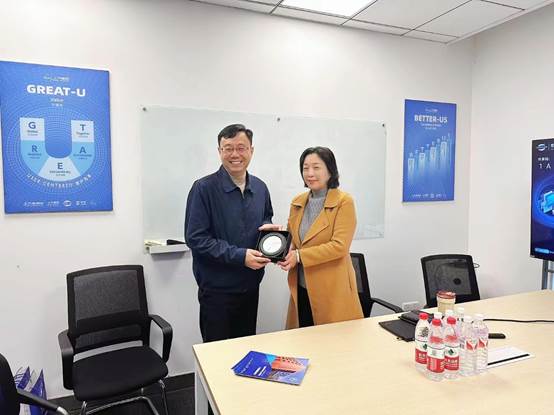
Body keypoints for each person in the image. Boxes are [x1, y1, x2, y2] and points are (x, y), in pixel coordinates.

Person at [185, 124, 275, 342]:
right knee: (216, 355)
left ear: (251, 150)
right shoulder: (203, 188)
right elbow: (196, 238)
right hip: (217, 292)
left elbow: (266, 217)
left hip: (251, 286)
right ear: (219, 151)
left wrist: (270, 235)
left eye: (241, 148)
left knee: (245, 349)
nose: (235, 154)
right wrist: (240, 256)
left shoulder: (260, 188)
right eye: (228, 148)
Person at [278, 146, 363, 328]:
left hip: (332, 289)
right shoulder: (297, 202)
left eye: (316, 167)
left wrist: (299, 256)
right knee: (303, 338)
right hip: (301, 286)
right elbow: (294, 239)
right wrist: (277, 237)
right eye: (305, 168)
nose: (310, 173)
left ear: (330, 170)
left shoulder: (344, 202)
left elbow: (339, 246)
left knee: (331, 341)